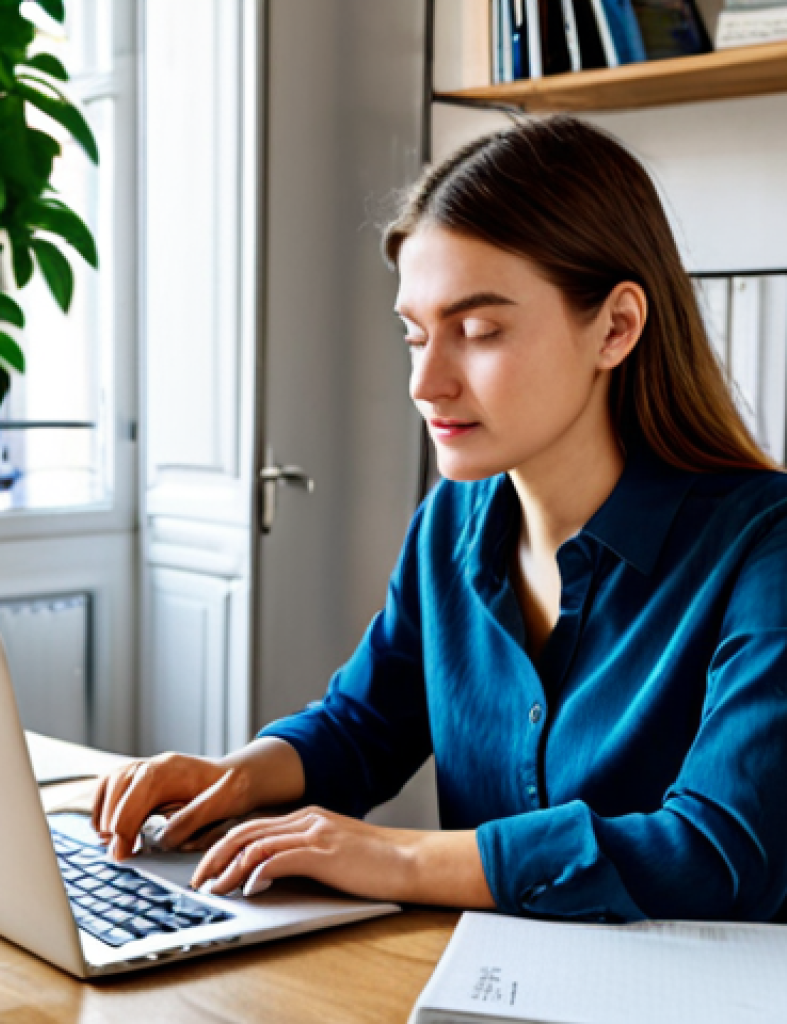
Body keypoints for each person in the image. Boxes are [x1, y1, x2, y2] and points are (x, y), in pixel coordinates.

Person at [92, 115, 787, 923]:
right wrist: (232, 778)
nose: (427, 382)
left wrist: (391, 854)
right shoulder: (451, 523)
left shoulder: (763, 546)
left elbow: (715, 853)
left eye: (479, 332)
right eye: (414, 335)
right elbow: (364, 724)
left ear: (616, 328)